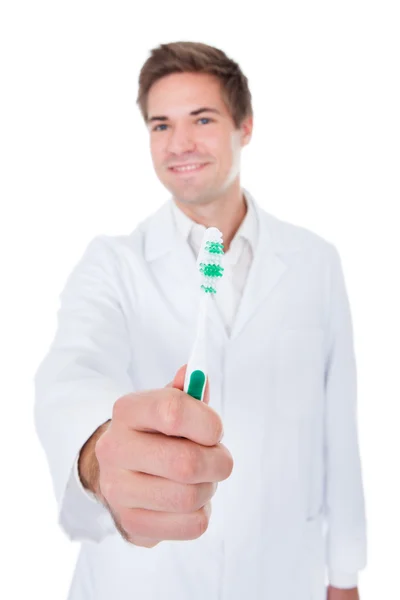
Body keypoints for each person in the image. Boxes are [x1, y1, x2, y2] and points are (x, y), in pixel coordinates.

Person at [34, 41, 367, 600]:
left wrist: (346, 572)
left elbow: (339, 425)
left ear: (246, 126)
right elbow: (71, 371)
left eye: (202, 119)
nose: (179, 143)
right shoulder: (112, 262)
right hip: (143, 581)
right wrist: (99, 450)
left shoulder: (315, 262)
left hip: (280, 573)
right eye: (160, 125)